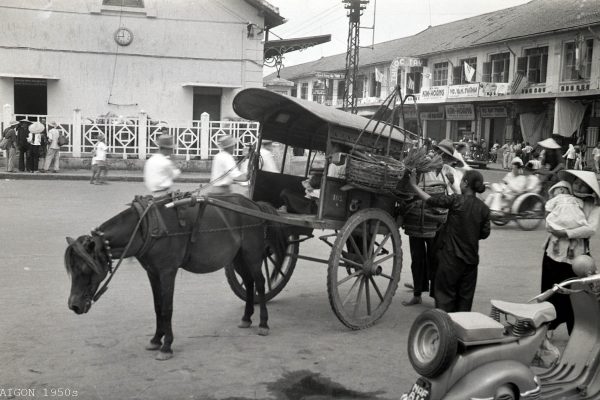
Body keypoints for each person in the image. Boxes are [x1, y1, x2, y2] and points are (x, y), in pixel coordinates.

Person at [409, 169, 490, 312]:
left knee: (445, 301)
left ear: (465, 183)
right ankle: (460, 330)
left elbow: (431, 200)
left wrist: (414, 186)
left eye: (462, 180)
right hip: (470, 263)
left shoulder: (455, 200)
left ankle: (446, 331)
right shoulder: (483, 208)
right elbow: (484, 233)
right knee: (464, 303)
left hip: (450, 260)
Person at [541, 170, 600, 336]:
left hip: (576, 260)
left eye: (582, 184)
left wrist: (566, 233)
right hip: (553, 253)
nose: (578, 186)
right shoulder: (562, 199)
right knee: (549, 291)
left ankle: (575, 334)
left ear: (590, 188)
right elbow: (549, 220)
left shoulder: (593, 206)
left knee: (575, 296)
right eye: (575, 182)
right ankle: (547, 329)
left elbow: (589, 229)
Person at [545, 181, 588, 259]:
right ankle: (571, 248)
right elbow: (581, 204)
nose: (554, 193)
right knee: (575, 234)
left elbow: (548, 207)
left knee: (555, 229)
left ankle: (556, 242)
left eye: (554, 191)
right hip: (574, 220)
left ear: (561, 189)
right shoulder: (573, 198)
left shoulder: (556, 198)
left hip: (560, 219)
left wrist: (548, 215)